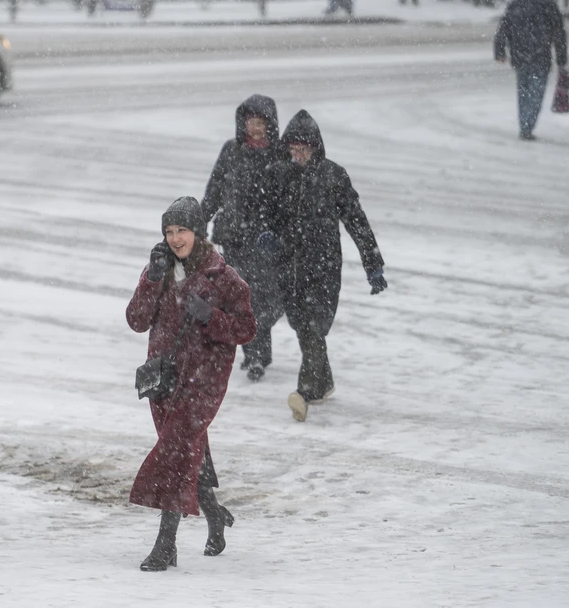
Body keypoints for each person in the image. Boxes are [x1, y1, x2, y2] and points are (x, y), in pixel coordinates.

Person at [126, 197, 256, 572]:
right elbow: (136, 320)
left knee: (175, 453)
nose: (175, 238)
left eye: (181, 230)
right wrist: (151, 278)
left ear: (198, 232)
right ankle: (214, 515)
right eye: (169, 231)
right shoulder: (160, 269)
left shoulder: (224, 277)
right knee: (186, 452)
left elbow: (247, 329)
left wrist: (211, 317)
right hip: (165, 377)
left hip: (204, 381)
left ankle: (165, 546)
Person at [258, 111, 387, 423]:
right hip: (288, 267)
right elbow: (263, 213)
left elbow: (356, 220)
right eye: (294, 149)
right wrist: (266, 235)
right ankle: (323, 381)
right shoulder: (277, 174)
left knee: (316, 327)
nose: (299, 155)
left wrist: (373, 264)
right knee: (303, 328)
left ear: (317, 148)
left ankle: (303, 392)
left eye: (305, 149)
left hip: (324, 267)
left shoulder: (334, 176)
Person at [201, 94, 285, 383]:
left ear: (270, 123)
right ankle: (254, 356)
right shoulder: (231, 151)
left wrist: (280, 231)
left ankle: (259, 350)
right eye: (251, 121)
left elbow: (289, 201)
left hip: (266, 241)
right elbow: (213, 191)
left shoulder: (280, 154)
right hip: (234, 237)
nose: (256, 128)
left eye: (261, 122)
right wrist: (197, 222)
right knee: (241, 298)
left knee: (269, 300)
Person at [494, 0, 568, 140]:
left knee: (523, 92)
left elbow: (503, 29)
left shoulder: (516, 5)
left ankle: (524, 124)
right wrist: (562, 58)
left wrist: (500, 51)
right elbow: (559, 35)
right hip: (541, 57)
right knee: (536, 93)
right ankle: (528, 125)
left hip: (520, 56)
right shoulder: (549, 6)